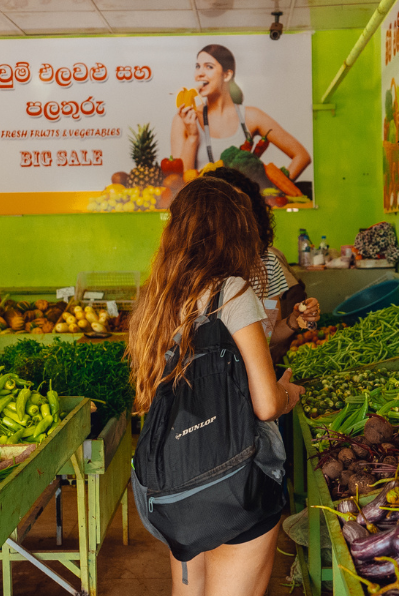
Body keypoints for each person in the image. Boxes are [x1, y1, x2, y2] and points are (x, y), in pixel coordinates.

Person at [127, 177, 304, 596]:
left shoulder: (161, 296)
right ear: (235, 230)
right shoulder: (231, 290)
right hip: (234, 480)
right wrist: (289, 393)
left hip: (176, 482)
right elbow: (264, 405)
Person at [204, 167, 319, 361]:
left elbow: (267, 336)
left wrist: (296, 320)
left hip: (248, 376)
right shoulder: (192, 265)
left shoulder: (266, 263)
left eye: (242, 204)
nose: (237, 213)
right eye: (227, 204)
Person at [172, 44, 311, 180]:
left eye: (209, 67)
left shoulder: (251, 116)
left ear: (227, 75)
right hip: (204, 202)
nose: (199, 74)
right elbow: (179, 182)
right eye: (197, 67)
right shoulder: (183, 119)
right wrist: (192, 136)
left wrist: (277, 193)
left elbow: (301, 156)